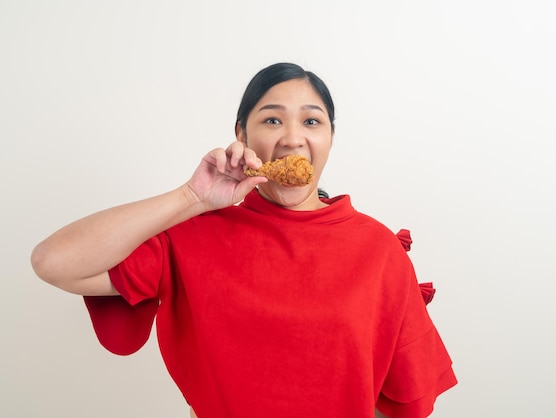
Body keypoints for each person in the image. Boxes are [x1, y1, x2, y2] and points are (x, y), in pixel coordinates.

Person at [31, 62, 457, 418]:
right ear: (241, 135)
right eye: (272, 119)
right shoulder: (192, 235)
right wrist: (192, 197)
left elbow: (405, 401)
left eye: (312, 120)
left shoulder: (377, 249)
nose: (292, 137)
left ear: (329, 137)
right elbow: (53, 261)